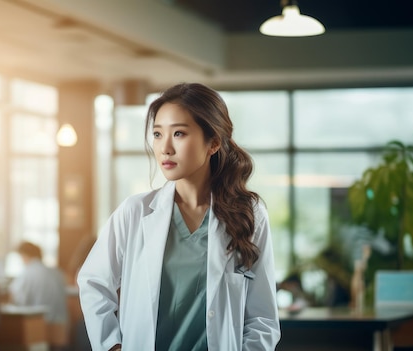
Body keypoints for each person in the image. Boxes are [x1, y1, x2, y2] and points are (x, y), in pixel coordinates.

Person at [77, 82, 280, 351]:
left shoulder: (249, 215)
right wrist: (111, 346)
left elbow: (263, 317)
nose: (165, 148)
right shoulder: (135, 212)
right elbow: (93, 282)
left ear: (214, 143)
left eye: (179, 134)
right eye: (158, 134)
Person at [8, 241, 69, 351]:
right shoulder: (57, 272)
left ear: (24, 255)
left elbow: (17, 299)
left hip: (39, 327)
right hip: (60, 329)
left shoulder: (28, 272)